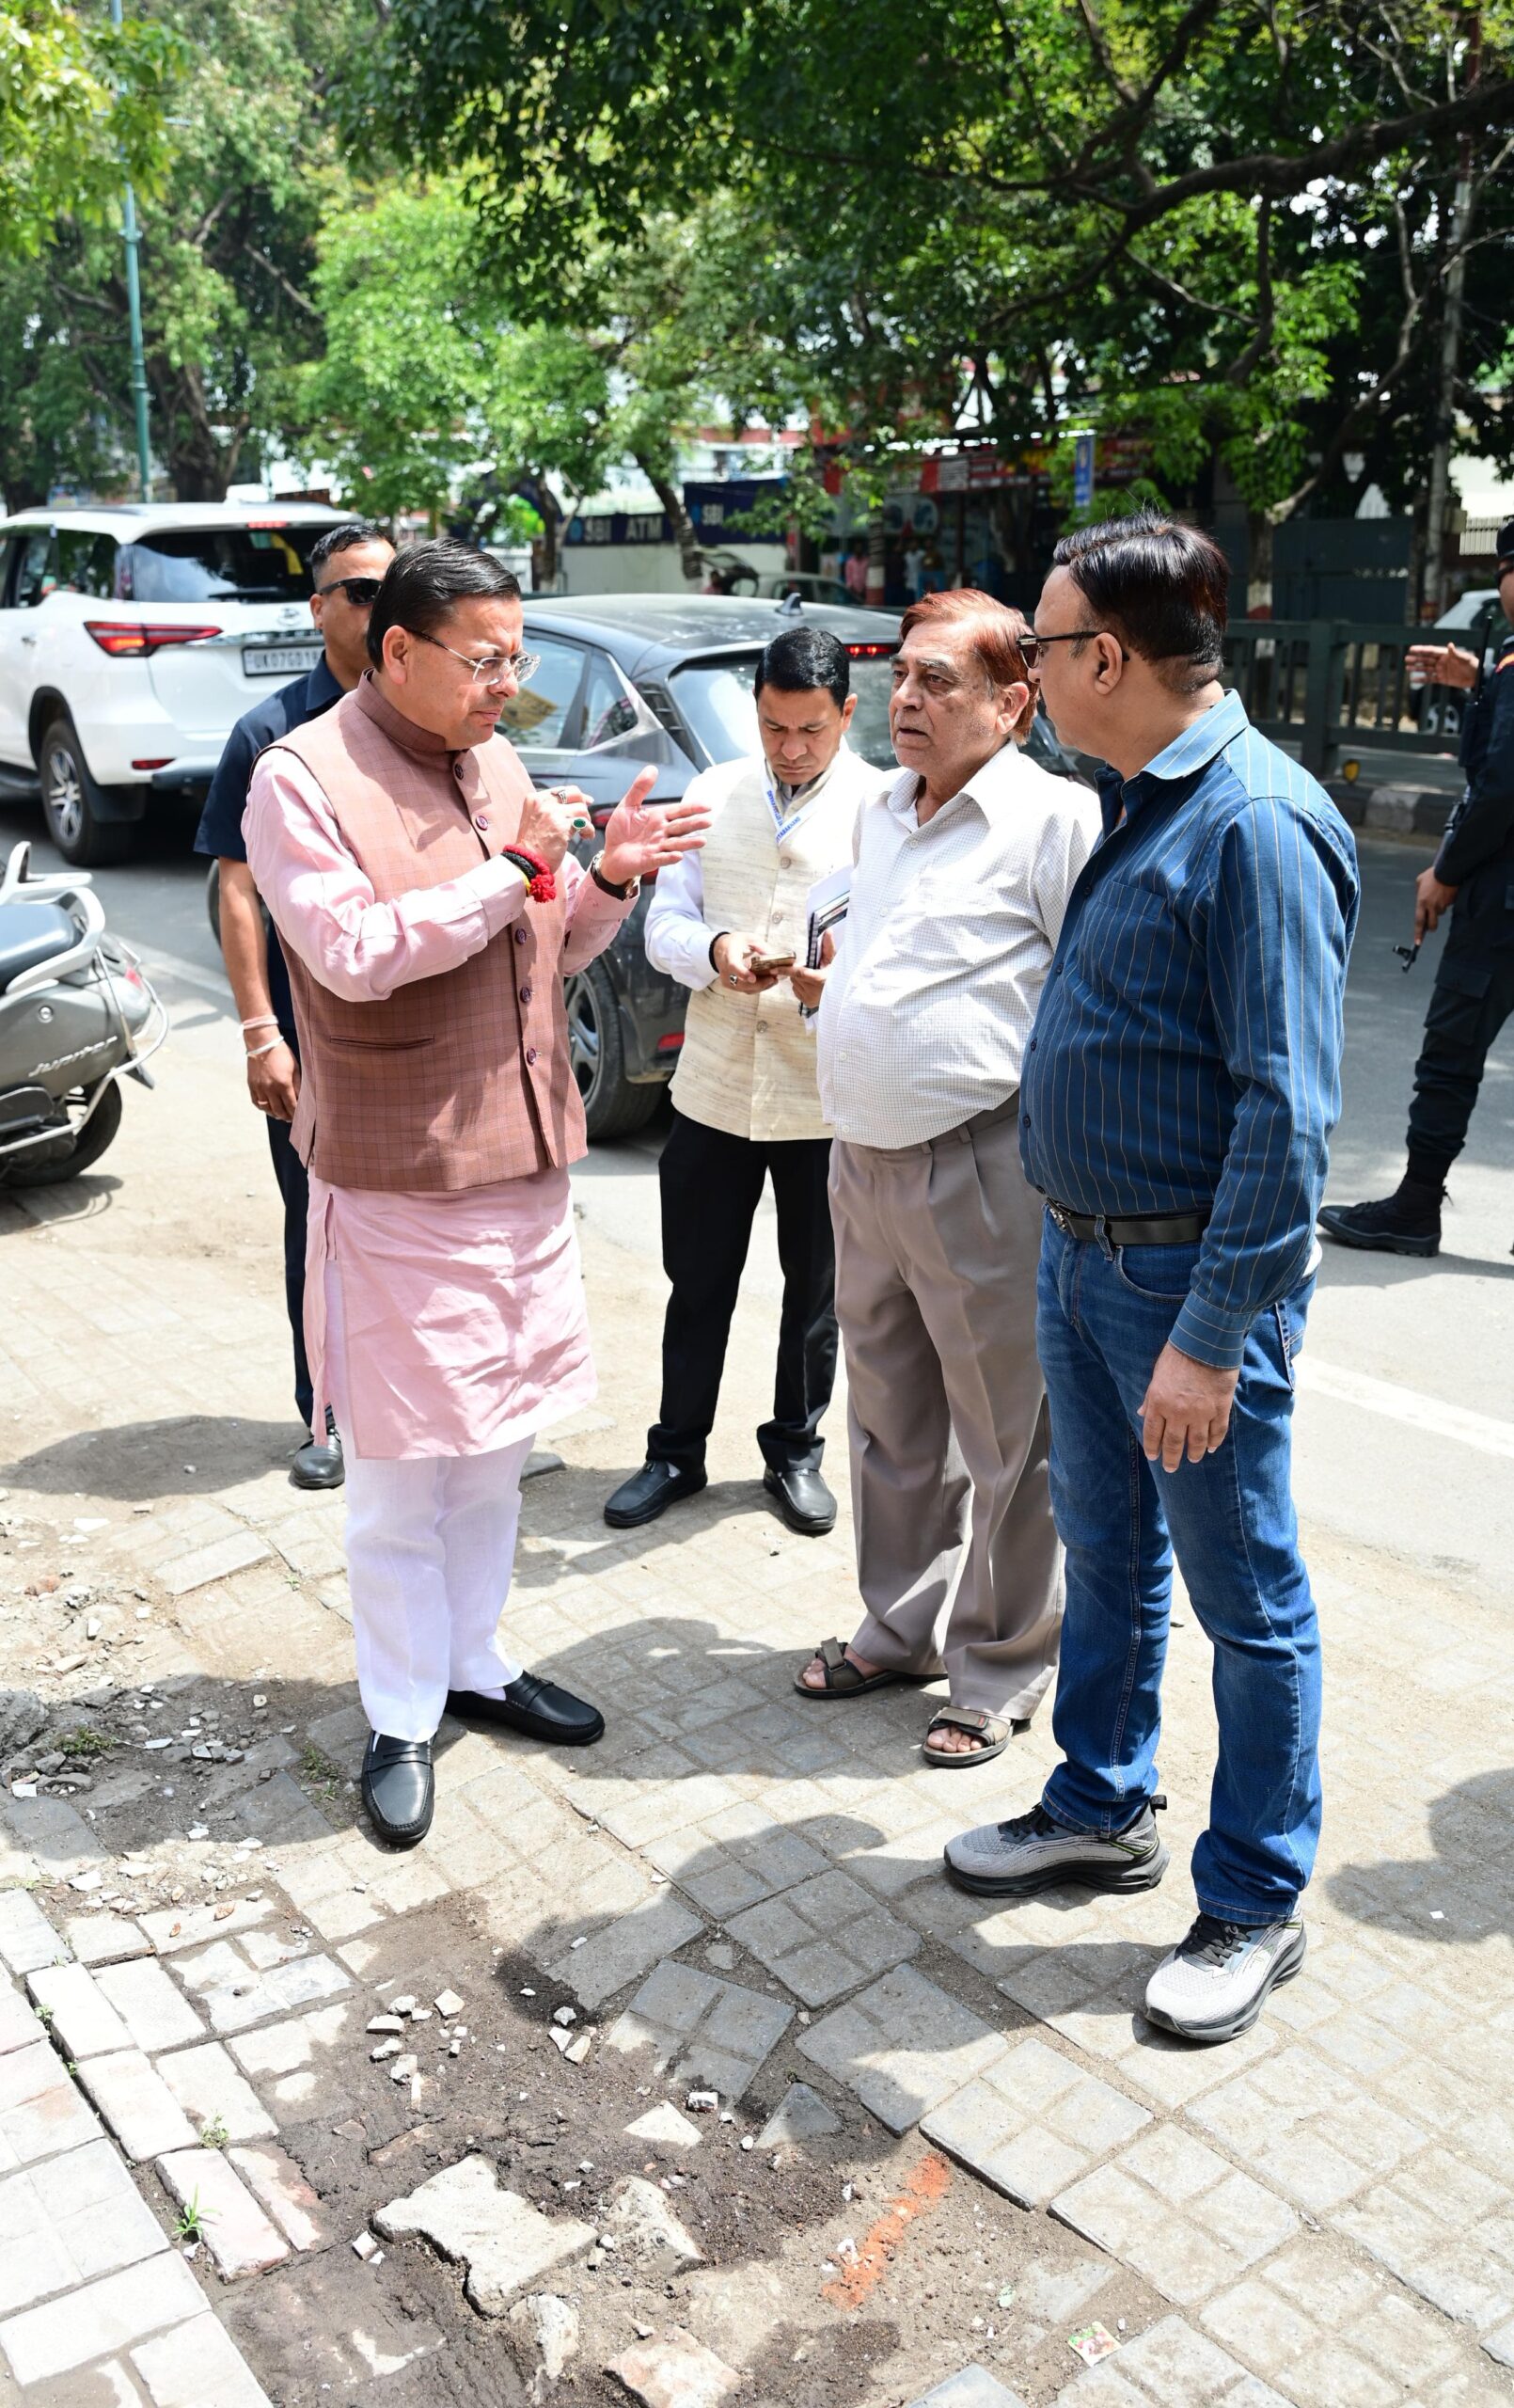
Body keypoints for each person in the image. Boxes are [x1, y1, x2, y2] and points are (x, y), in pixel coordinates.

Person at [946, 511, 1359, 2044]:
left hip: (1184, 1290)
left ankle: (1251, 1895)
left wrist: (1209, 1337)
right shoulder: (1142, 799)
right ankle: (1099, 1802)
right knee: (1107, 1553)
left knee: (1248, 1597)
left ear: (1105, 657)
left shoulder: (1253, 823)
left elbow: (1286, 1115)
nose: (1029, 671)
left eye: (1040, 647)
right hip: (1085, 1258)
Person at [244, 541, 708, 1847]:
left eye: (518, 657)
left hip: (522, 1165)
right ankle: (399, 1710)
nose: (509, 685)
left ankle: (474, 1662)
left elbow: (543, 954)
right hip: (399, 1177)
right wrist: (513, 867)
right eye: (486, 660)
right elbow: (351, 953)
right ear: (398, 650)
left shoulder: (495, 762)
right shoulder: (301, 778)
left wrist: (604, 877)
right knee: (400, 1476)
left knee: (495, 1457)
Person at [796, 592, 1099, 1766]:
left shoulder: (1054, 818)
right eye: (902, 677)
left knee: (1006, 1433)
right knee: (888, 1416)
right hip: (861, 1157)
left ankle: (1000, 1663)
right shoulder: (880, 805)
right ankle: (900, 1627)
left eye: (938, 682)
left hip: (981, 1162)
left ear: (1012, 703)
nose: (905, 699)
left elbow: (1084, 995)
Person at [604, 626, 877, 1539]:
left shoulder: (882, 809)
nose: (789, 748)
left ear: (846, 713)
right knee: (697, 1282)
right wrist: (717, 949)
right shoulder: (713, 793)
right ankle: (675, 1452)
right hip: (713, 1088)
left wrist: (829, 983)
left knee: (815, 1294)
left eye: (810, 730)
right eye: (772, 727)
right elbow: (662, 928)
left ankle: (794, 1451)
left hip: (820, 1099)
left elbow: (894, 953)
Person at [195, 517, 394, 1488]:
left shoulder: (428, 719)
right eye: (359, 591)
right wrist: (257, 1031)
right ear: (319, 609)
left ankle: (424, 1414)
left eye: (392, 588)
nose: (379, 606)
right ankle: (325, 1413)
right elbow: (236, 889)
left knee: (421, 1233)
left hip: (411, 1032)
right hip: (310, 1038)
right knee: (318, 1223)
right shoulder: (269, 733)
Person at [1318, 519, 1514, 1256]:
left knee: (1450, 1054)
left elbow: (1500, 787)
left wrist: (1447, 872)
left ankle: (1415, 1206)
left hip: (1501, 905)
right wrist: (1482, 679)